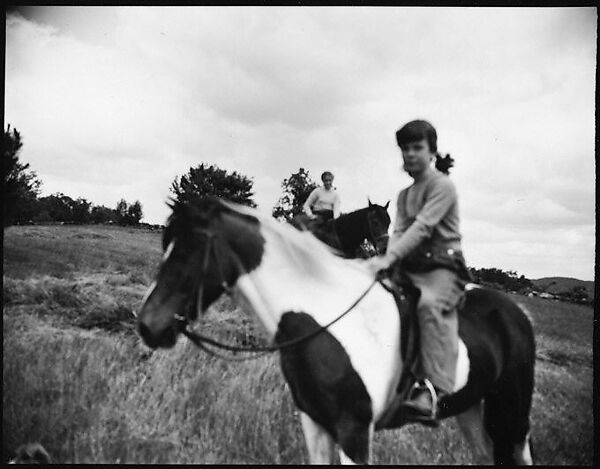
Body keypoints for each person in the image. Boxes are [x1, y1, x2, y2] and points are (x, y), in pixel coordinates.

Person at [365, 119, 471, 424]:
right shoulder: (402, 195)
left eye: (417, 148)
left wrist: (389, 258)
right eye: (405, 149)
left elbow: (423, 228)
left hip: (442, 268)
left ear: (432, 151)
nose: (410, 154)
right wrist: (384, 261)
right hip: (409, 268)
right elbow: (398, 233)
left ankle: (432, 390)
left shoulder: (442, 186)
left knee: (427, 306)